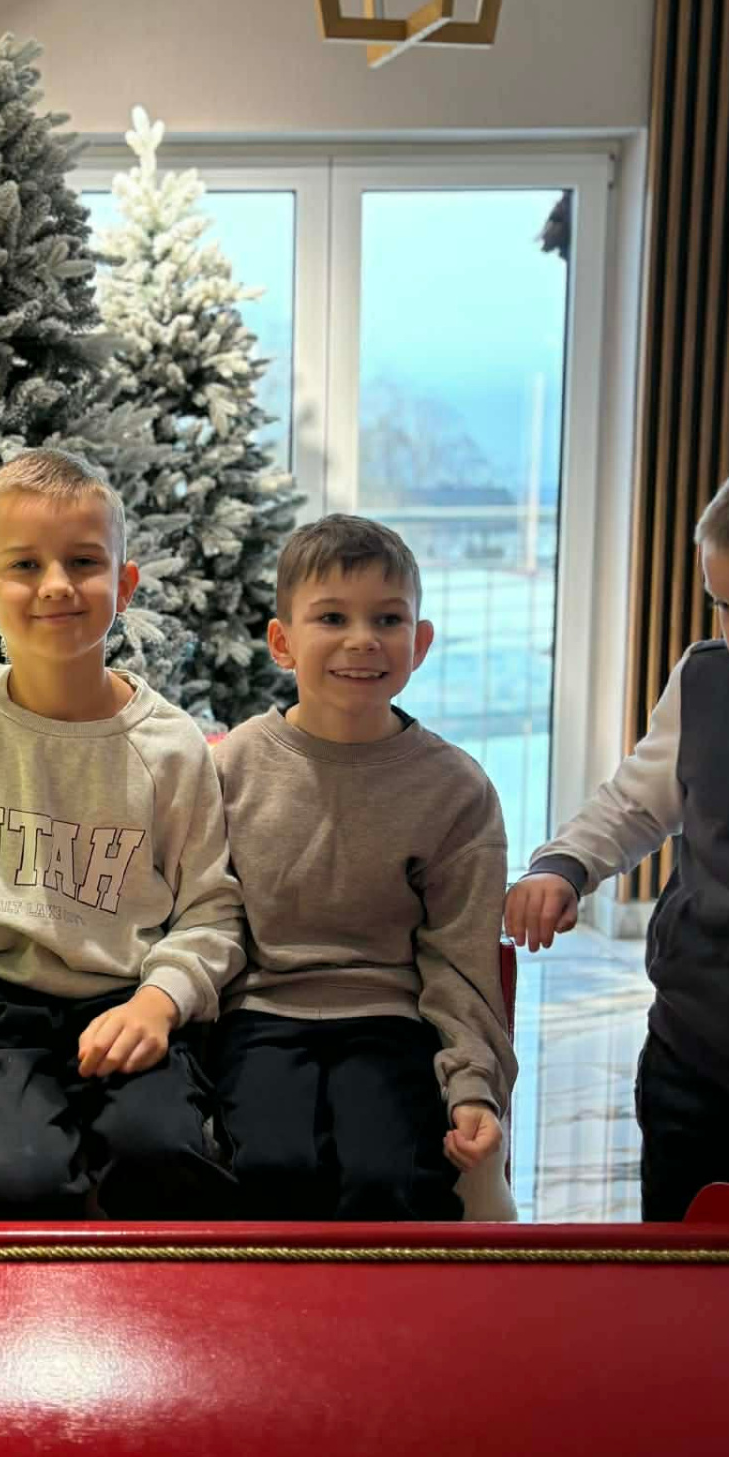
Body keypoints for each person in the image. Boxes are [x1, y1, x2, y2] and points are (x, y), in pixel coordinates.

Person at [0, 448, 244, 1220]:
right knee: (18, 1179)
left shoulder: (170, 747)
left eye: (84, 562)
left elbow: (212, 910)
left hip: (128, 1001)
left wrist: (159, 1003)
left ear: (124, 586)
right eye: (25, 565)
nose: (57, 585)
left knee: (162, 1157)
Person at [212, 514, 516, 1222]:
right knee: (269, 1169)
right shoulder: (230, 768)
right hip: (260, 1015)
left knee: (388, 1181)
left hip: (391, 1018)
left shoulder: (456, 789)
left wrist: (473, 1084)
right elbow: (201, 917)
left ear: (421, 642)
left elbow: (463, 959)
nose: (362, 639)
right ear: (282, 642)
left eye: (387, 618)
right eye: (332, 618)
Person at [506, 463, 729, 1221]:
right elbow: (636, 802)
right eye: (726, 607)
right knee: (676, 1250)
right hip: (693, 1051)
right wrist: (564, 864)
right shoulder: (706, 680)